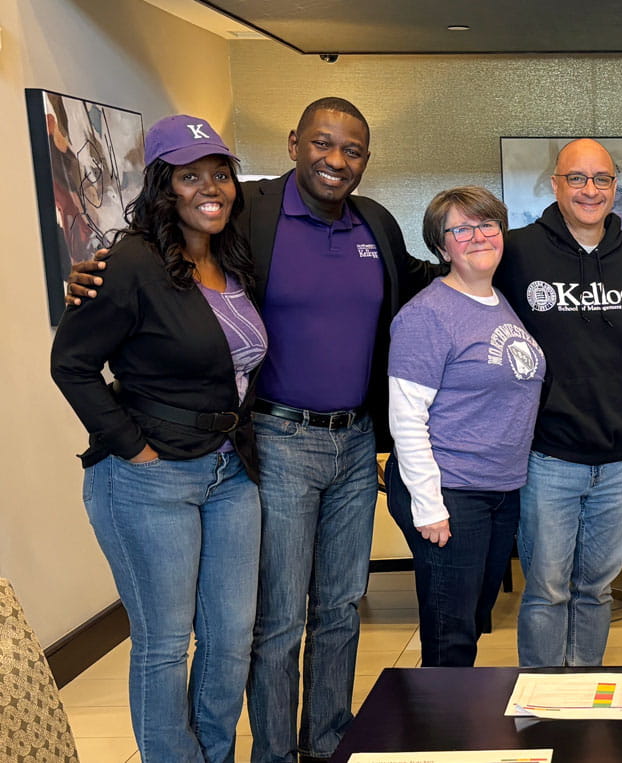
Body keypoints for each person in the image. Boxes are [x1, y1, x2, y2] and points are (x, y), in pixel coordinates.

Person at [68, 97, 434, 763]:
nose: (336, 160)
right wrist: (92, 271)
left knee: (339, 607)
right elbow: (156, 262)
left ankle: (325, 741)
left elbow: (420, 287)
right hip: (275, 440)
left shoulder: (373, 223)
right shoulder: (253, 212)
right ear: (294, 143)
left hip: (351, 444)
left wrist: (506, 267)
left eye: (352, 150)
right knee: (276, 620)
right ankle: (271, 751)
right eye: (323, 143)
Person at [51, 115, 266, 762]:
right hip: (150, 477)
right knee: (166, 643)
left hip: (231, 473)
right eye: (190, 174)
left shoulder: (231, 255)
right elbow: (73, 364)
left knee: (231, 637)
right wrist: (132, 448)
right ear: (162, 185)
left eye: (221, 173)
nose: (212, 187)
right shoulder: (129, 262)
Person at [493, 138, 622, 668]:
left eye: (602, 180)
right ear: (556, 184)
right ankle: (543, 711)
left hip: (620, 462)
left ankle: (584, 700)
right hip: (549, 459)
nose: (590, 190)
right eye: (577, 178)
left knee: (596, 592)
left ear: (615, 187)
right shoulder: (517, 252)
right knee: (547, 592)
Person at [385, 186, 544, 667]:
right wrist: (429, 506)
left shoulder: (499, 301)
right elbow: (406, 418)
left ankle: (452, 723)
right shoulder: (426, 315)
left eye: (487, 225)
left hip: (500, 489)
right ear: (441, 245)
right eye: (461, 229)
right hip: (451, 490)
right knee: (450, 632)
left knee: (473, 618)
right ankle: (435, 735)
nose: (477, 237)